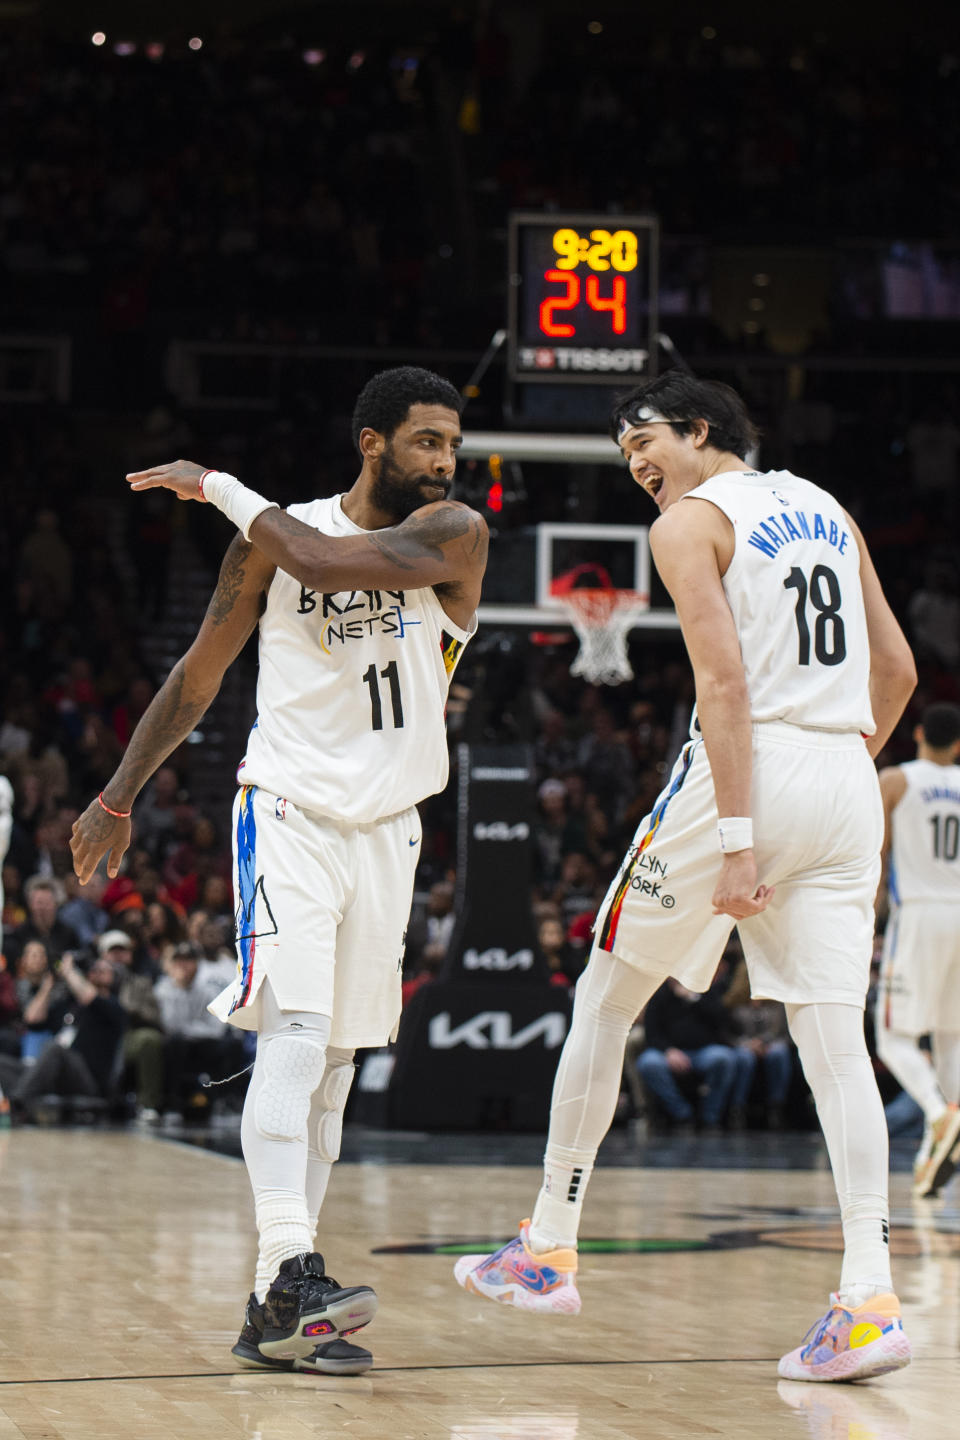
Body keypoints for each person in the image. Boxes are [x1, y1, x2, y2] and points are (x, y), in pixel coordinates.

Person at [454, 372, 917, 1385]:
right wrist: (836, 772)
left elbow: (722, 683)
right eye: (625, 455)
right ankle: (870, 1298)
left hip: (752, 767)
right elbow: (898, 670)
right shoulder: (828, 509)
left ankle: (547, 1248)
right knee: (835, 1043)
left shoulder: (691, 524)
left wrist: (749, 835)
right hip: (846, 770)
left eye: (644, 441)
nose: (636, 465)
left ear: (703, 430)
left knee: (606, 996)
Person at [70, 366, 486, 1378]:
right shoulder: (273, 542)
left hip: (391, 829)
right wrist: (119, 794)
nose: (444, 463)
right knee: (296, 1035)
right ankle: (290, 1262)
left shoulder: (453, 535)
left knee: (338, 1068)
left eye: (453, 446)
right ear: (371, 442)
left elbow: (327, 560)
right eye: (426, 441)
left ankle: (277, 1311)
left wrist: (216, 483)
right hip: (292, 809)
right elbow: (199, 674)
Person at [874, 702, 960, 1198]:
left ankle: (937, 1113)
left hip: (921, 914)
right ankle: (935, 1155)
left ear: (920, 732)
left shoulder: (896, 781)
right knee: (949, 1039)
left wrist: (869, 918)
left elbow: (878, 856)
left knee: (892, 1038)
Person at [636, 977, 739, 1133]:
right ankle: (682, 1114)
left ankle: (710, 1117)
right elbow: (651, 1033)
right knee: (648, 1063)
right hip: (668, 1052)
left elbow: (721, 1023)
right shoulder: (659, 994)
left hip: (703, 1050)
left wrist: (694, 999)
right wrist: (668, 1050)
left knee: (724, 1058)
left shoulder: (705, 989)